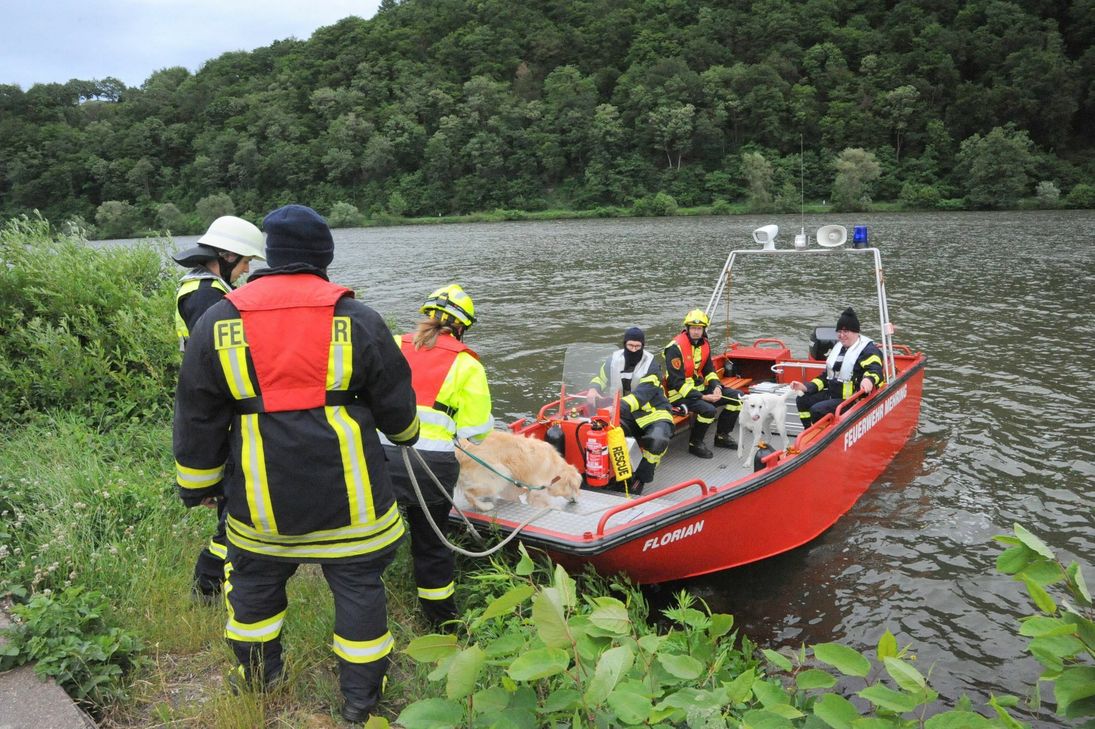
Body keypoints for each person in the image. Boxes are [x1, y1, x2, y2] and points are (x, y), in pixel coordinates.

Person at [172, 204, 419, 724]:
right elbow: (396, 403)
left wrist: (199, 485)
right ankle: (360, 701)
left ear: (271, 255)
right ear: (324, 256)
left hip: (261, 506)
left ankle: (258, 680)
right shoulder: (358, 318)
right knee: (359, 591)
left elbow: (197, 413)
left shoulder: (219, 319)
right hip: (353, 505)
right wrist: (406, 435)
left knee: (255, 591)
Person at [380, 284, 493, 631]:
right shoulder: (466, 363)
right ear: (462, 326)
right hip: (432, 466)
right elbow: (477, 430)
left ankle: (368, 605)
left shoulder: (393, 345)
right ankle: (443, 624)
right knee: (431, 546)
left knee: (375, 537)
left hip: (382, 457)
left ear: (425, 315)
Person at [172, 215, 265, 603]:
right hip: (222, 410)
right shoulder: (208, 296)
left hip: (216, 406)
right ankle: (210, 584)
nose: (246, 270)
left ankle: (217, 582)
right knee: (234, 508)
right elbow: (220, 360)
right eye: (245, 262)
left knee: (234, 503)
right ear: (226, 256)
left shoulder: (200, 287)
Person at [588, 327, 673, 495]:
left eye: (637, 346)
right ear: (624, 344)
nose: (633, 350)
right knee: (603, 432)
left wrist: (616, 407)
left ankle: (642, 476)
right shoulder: (613, 360)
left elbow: (642, 395)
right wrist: (593, 388)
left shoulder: (651, 364)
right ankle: (618, 475)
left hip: (654, 412)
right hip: (625, 413)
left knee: (657, 440)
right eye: (630, 346)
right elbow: (600, 377)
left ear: (643, 346)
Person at [663, 309, 742, 459]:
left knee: (738, 398)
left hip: (700, 389)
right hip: (679, 395)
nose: (696, 332)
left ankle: (722, 436)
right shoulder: (674, 348)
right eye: (693, 328)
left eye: (699, 328)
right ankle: (695, 443)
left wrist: (716, 386)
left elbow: (709, 370)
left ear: (704, 329)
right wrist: (703, 397)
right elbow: (676, 382)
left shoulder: (704, 344)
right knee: (709, 410)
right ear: (687, 328)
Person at [790, 307, 884, 427]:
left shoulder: (868, 350)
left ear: (856, 332)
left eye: (846, 331)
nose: (841, 335)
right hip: (834, 394)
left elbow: (875, 370)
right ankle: (808, 430)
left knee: (817, 410)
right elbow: (826, 377)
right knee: (802, 399)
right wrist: (806, 387)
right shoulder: (839, 348)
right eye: (839, 331)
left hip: (853, 400)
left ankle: (821, 434)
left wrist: (868, 380)